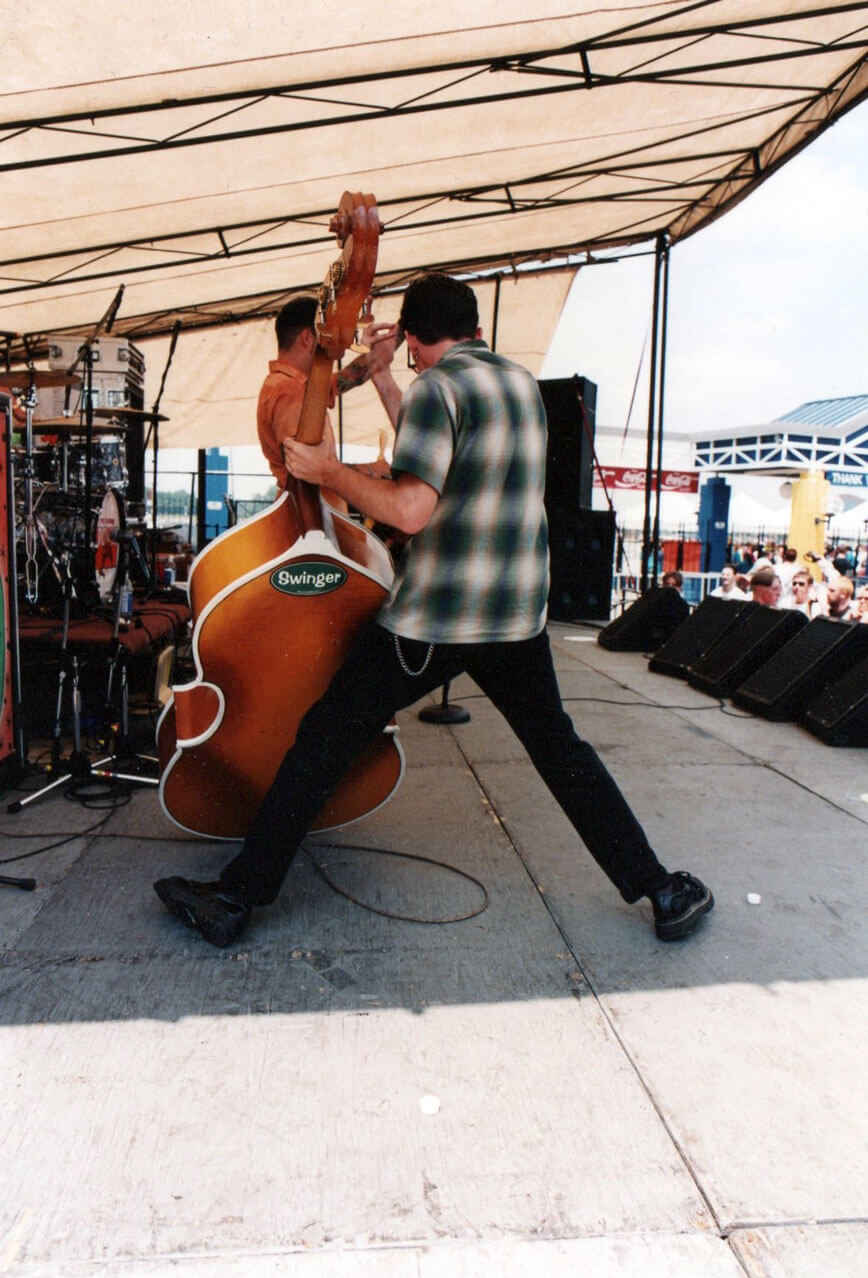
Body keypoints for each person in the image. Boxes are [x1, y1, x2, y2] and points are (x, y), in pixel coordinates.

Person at [154, 274, 713, 948]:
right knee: (563, 753)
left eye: (408, 349)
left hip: (437, 618)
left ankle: (237, 897)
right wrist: (388, 381)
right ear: (472, 326)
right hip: (514, 617)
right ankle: (662, 889)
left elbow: (412, 509)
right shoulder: (518, 386)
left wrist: (328, 471)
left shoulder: (437, 389)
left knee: (325, 737)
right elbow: (441, 454)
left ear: (417, 337)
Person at [256, 297, 397, 493]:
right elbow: (306, 471)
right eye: (329, 338)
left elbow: (348, 378)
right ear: (308, 339)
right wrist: (371, 470)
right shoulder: (289, 390)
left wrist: (393, 340)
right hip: (308, 518)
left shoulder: (299, 385)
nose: (334, 348)